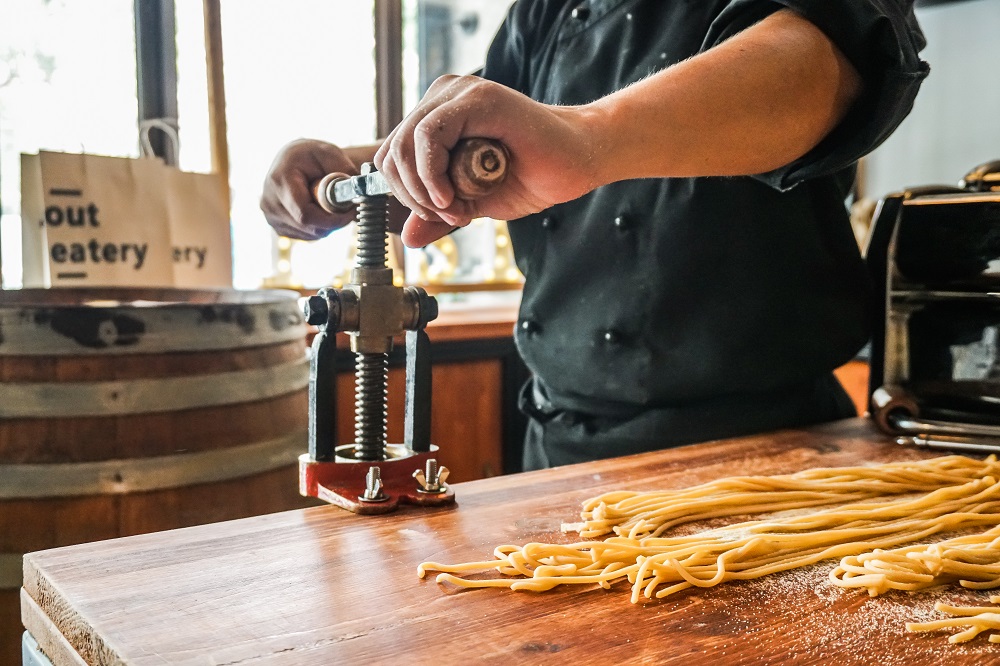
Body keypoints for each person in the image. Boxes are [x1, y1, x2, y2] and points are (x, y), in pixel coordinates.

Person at [261, 0, 928, 471]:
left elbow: (824, 63)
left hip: (771, 450)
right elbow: (496, 135)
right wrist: (352, 167)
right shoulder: (546, 9)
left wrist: (589, 138)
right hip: (559, 446)